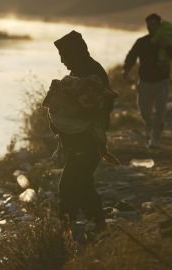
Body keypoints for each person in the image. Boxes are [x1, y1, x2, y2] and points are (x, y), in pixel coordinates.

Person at [48, 30, 117, 231]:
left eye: (64, 56)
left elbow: (103, 106)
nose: (62, 61)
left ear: (76, 53)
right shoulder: (79, 72)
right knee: (83, 183)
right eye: (61, 57)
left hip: (88, 142)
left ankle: (65, 230)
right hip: (79, 141)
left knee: (68, 186)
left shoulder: (93, 74)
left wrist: (69, 115)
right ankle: (98, 224)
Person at [123, 13, 172, 148]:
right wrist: (126, 69)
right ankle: (150, 126)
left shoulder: (166, 41)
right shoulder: (142, 42)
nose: (150, 27)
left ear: (159, 25)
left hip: (162, 82)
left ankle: (154, 140)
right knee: (144, 112)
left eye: (154, 24)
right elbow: (132, 55)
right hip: (145, 82)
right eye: (149, 25)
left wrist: (167, 47)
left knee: (159, 111)